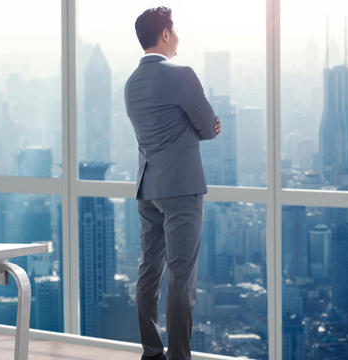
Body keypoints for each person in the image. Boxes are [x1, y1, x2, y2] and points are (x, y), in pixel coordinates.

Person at [124, 7, 221, 360]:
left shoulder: (131, 82)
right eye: (174, 30)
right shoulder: (182, 75)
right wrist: (201, 127)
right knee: (182, 277)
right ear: (164, 34)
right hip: (180, 189)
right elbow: (209, 126)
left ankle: (152, 352)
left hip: (147, 189)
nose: (177, 36)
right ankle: (179, 355)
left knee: (149, 273)